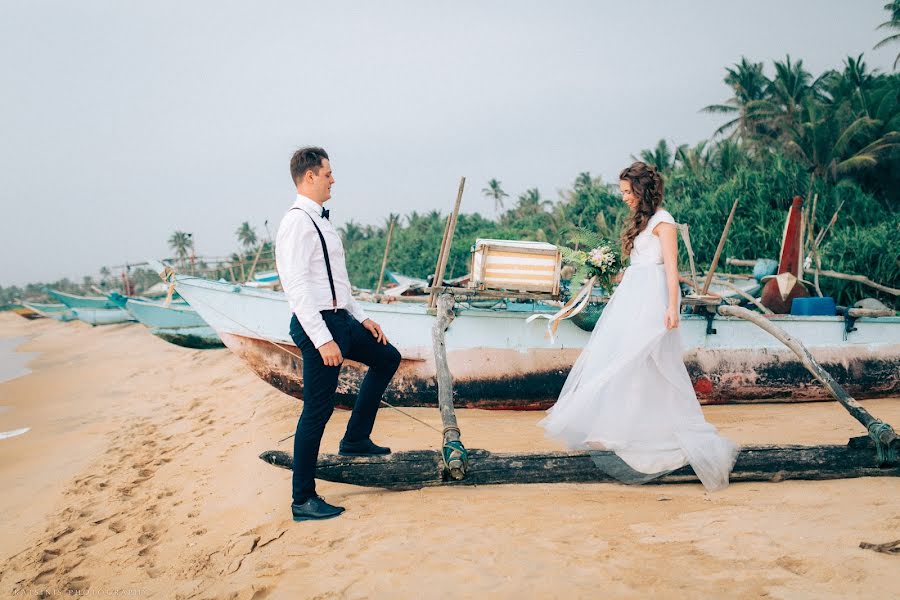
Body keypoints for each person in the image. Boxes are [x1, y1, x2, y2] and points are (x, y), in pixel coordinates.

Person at [539, 161, 738, 491]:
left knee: (639, 360)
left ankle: (635, 430)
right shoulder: (642, 224)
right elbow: (637, 268)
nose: (624, 198)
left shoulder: (664, 222)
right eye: (621, 193)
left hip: (653, 301)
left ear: (642, 190)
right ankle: (619, 430)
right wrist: (601, 270)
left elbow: (670, 270)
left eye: (627, 192)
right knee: (628, 361)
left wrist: (673, 308)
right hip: (632, 298)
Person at [275, 147, 402, 521]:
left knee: (388, 357)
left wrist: (362, 317)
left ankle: (355, 439)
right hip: (318, 325)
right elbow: (296, 287)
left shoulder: (322, 221)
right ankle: (302, 500)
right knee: (317, 409)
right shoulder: (297, 222)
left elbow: (337, 284)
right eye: (328, 173)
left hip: (341, 319)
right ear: (310, 176)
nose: (333, 179)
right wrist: (322, 339)